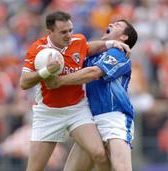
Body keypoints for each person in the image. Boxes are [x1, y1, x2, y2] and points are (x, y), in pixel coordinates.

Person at [19, 11, 130, 171]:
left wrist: (110, 44)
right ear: (50, 32)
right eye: (63, 32)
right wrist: (46, 71)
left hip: (77, 109)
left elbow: (87, 48)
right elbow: (24, 82)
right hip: (48, 114)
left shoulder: (78, 40)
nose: (69, 35)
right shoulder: (38, 49)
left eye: (70, 30)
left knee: (99, 153)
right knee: (34, 168)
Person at [47, 19, 138, 171]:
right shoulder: (91, 55)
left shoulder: (120, 52)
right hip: (89, 119)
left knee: (121, 168)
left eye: (117, 25)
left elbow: (94, 73)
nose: (110, 25)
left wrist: (59, 81)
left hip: (114, 117)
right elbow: (78, 51)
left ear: (124, 37)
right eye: (111, 23)